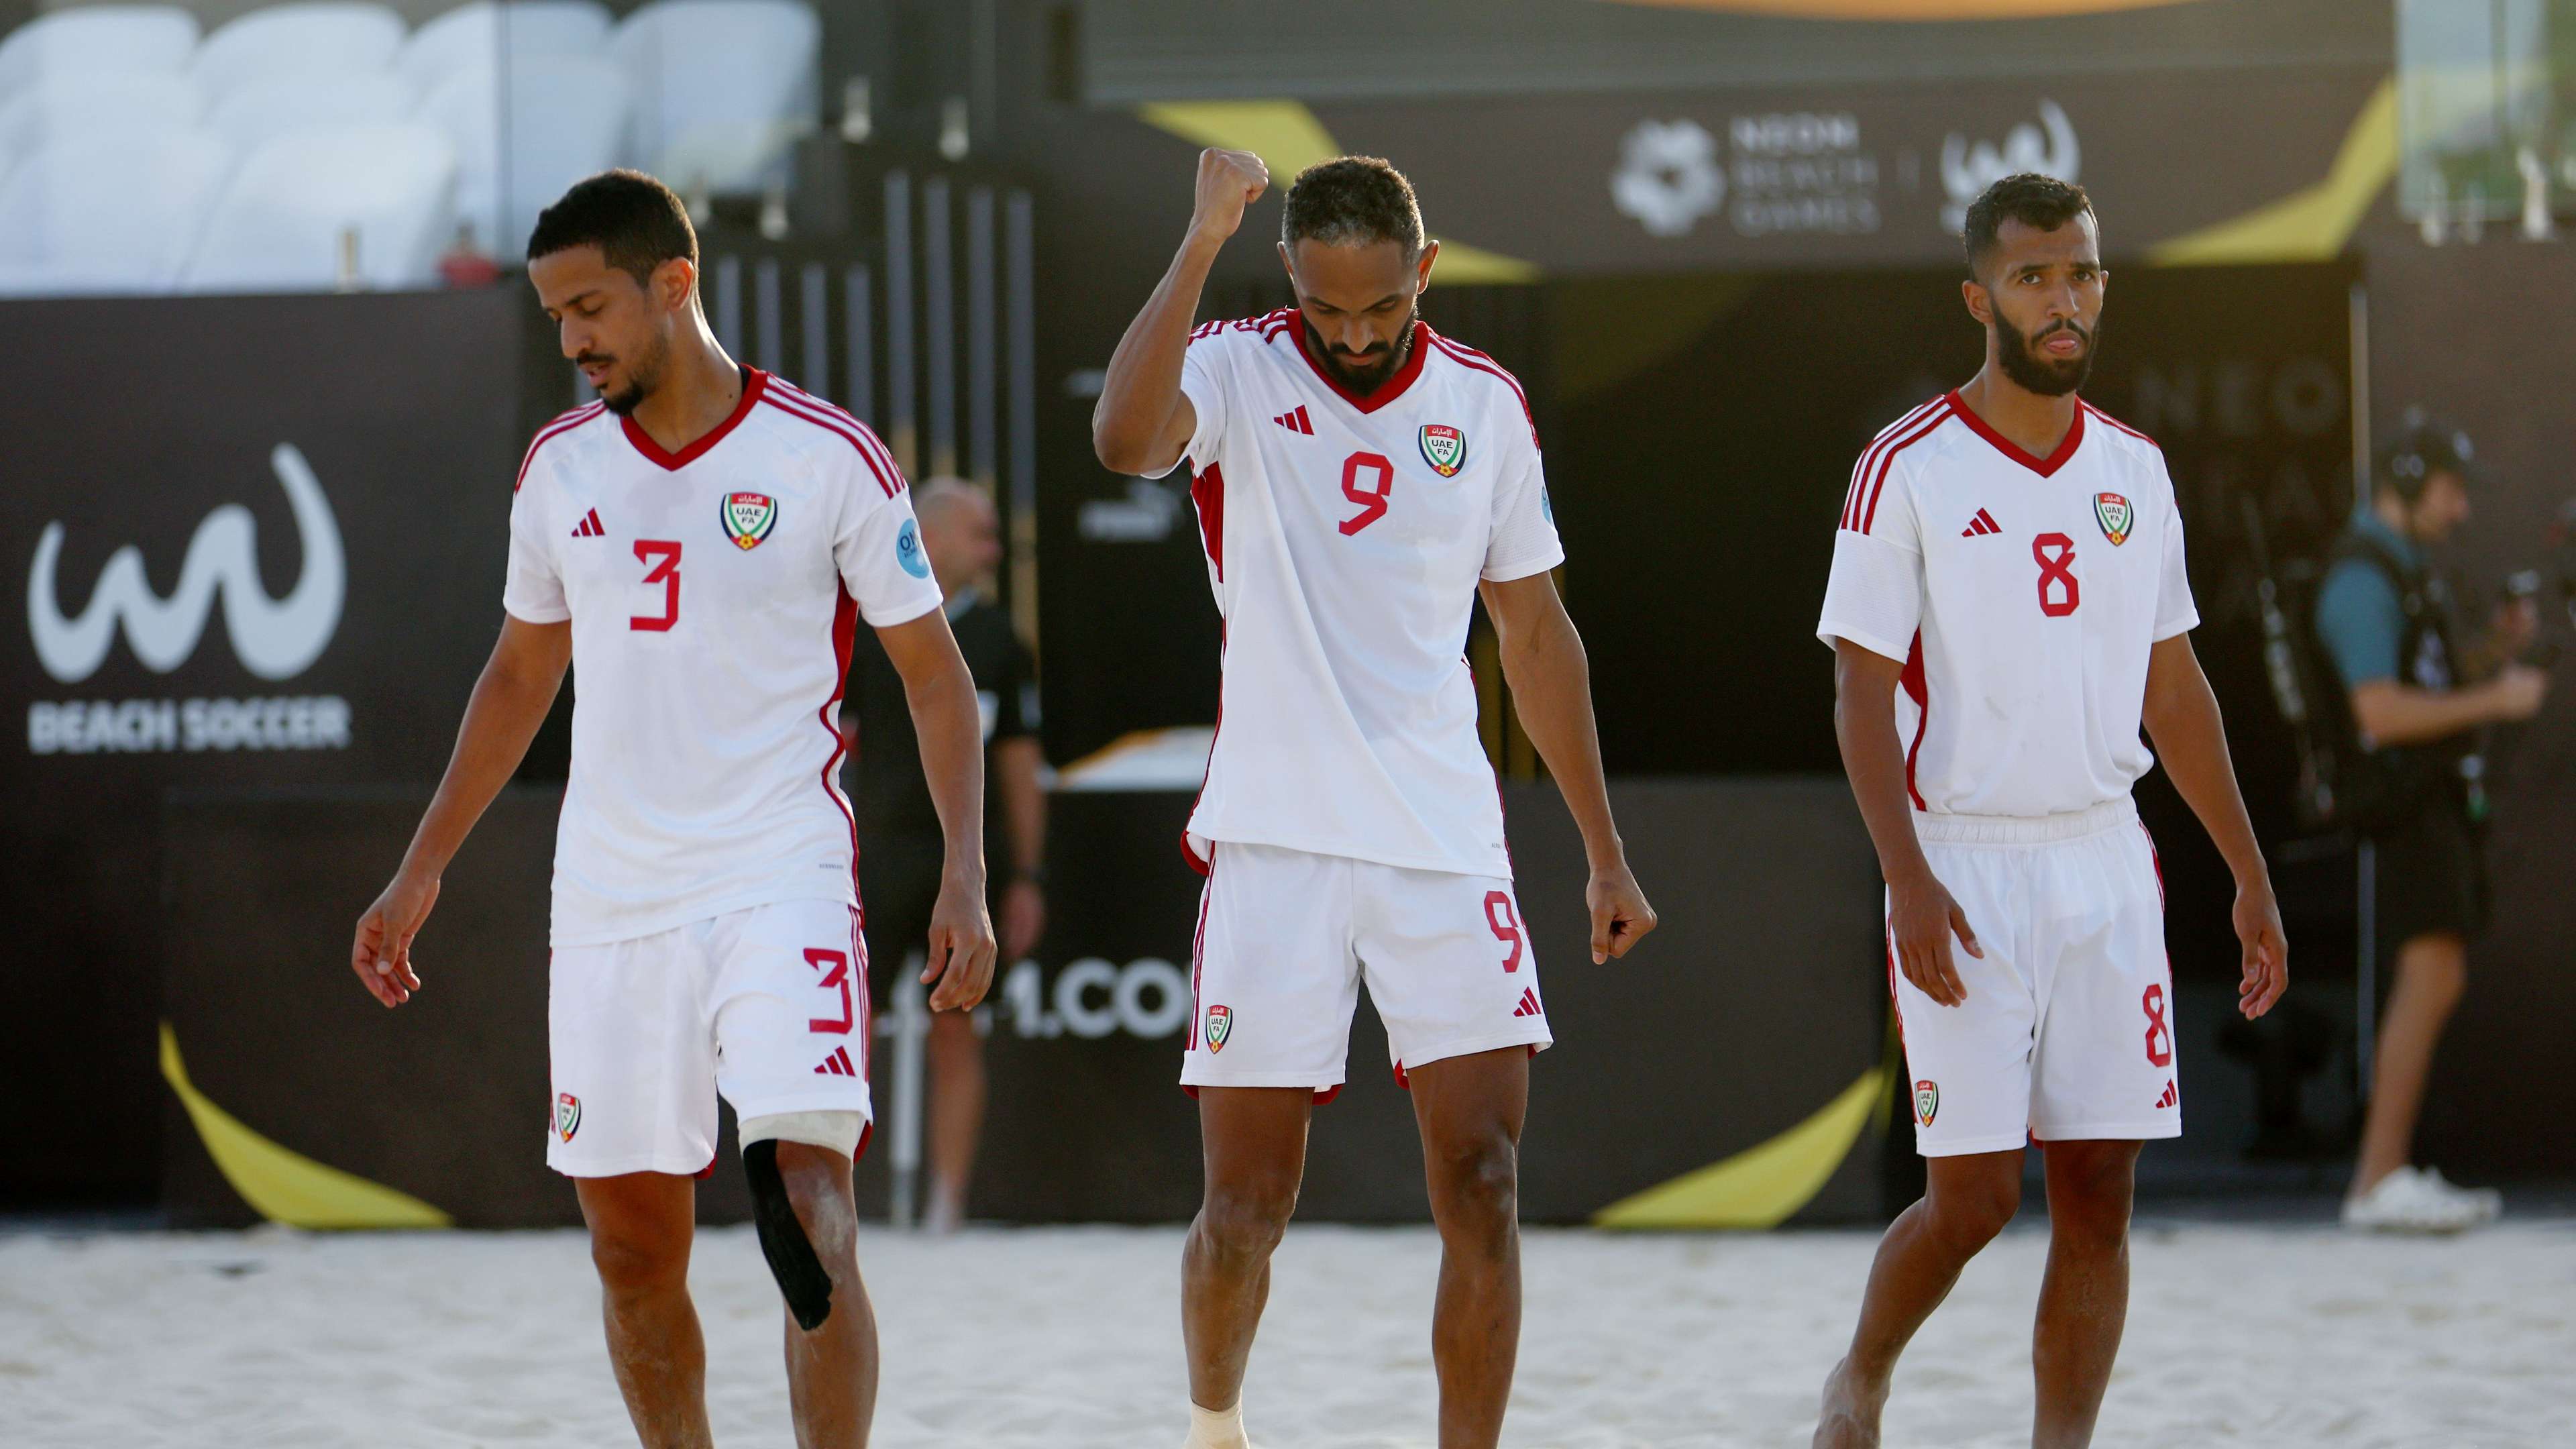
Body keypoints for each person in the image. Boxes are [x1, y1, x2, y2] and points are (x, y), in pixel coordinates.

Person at [345, 170, 997, 1449]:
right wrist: (421, 867)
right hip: (610, 896)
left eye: (591, 305)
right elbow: (522, 672)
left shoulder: (825, 456)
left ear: (674, 283)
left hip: (781, 871)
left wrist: (966, 873)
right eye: (555, 316)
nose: (574, 336)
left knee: (808, 1206)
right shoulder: (557, 468)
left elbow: (937, 676)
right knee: (634, 1253)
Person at [1092, 150, 1657, 1449]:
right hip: (1275, 843)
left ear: (1427, 273)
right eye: (1329, 308)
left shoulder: (1486, 405)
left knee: (1485, 1182)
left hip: (1444, 842)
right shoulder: (1235, 365)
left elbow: (1534, 631)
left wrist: (1603, 850)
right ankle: (1216, 1426)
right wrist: (1196, 239)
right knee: (1245, 1208)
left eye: (1382, 311)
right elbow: (1125, 440)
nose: (1352, 336)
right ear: (1290, 272)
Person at [1809, 173, 2287, 1449]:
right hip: (1963, 867)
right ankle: (1859, 1378)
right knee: (1969, 1202)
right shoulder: (1902, 466)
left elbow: (2175, 695)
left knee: (2101, 1192)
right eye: (2033, 277)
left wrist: (2248, 872)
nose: (2061, 299)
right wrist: (1906, 879)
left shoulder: (2137, 469)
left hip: (2104, 865)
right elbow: (1859, 696)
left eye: (2079, 273)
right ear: (1981, 297)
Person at [2315, 419, 2544, 1232]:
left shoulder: (2406, 568)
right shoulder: (2362, 578)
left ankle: (2387, 1172)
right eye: (2450, 492)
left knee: (2438, 974)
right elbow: (2377, 708)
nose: (2460, 512)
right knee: (2430, 975)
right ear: (2409, 483)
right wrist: (2496, 699)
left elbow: (2427, 673)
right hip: (2406, 806)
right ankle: (2378, 1176)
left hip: (2436, 802)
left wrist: (2489, 653)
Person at [844, 476, 1047, 1232]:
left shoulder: (998, 641)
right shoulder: (866, 628)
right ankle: (841, 1195)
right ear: (927, 539)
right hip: (874, 856)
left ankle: (944, 1205)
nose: (994, 549)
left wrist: (1024, 874)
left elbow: (1023, 768)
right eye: (980, 534)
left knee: (955, 1029)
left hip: (962, 864)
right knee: (844, 1026)